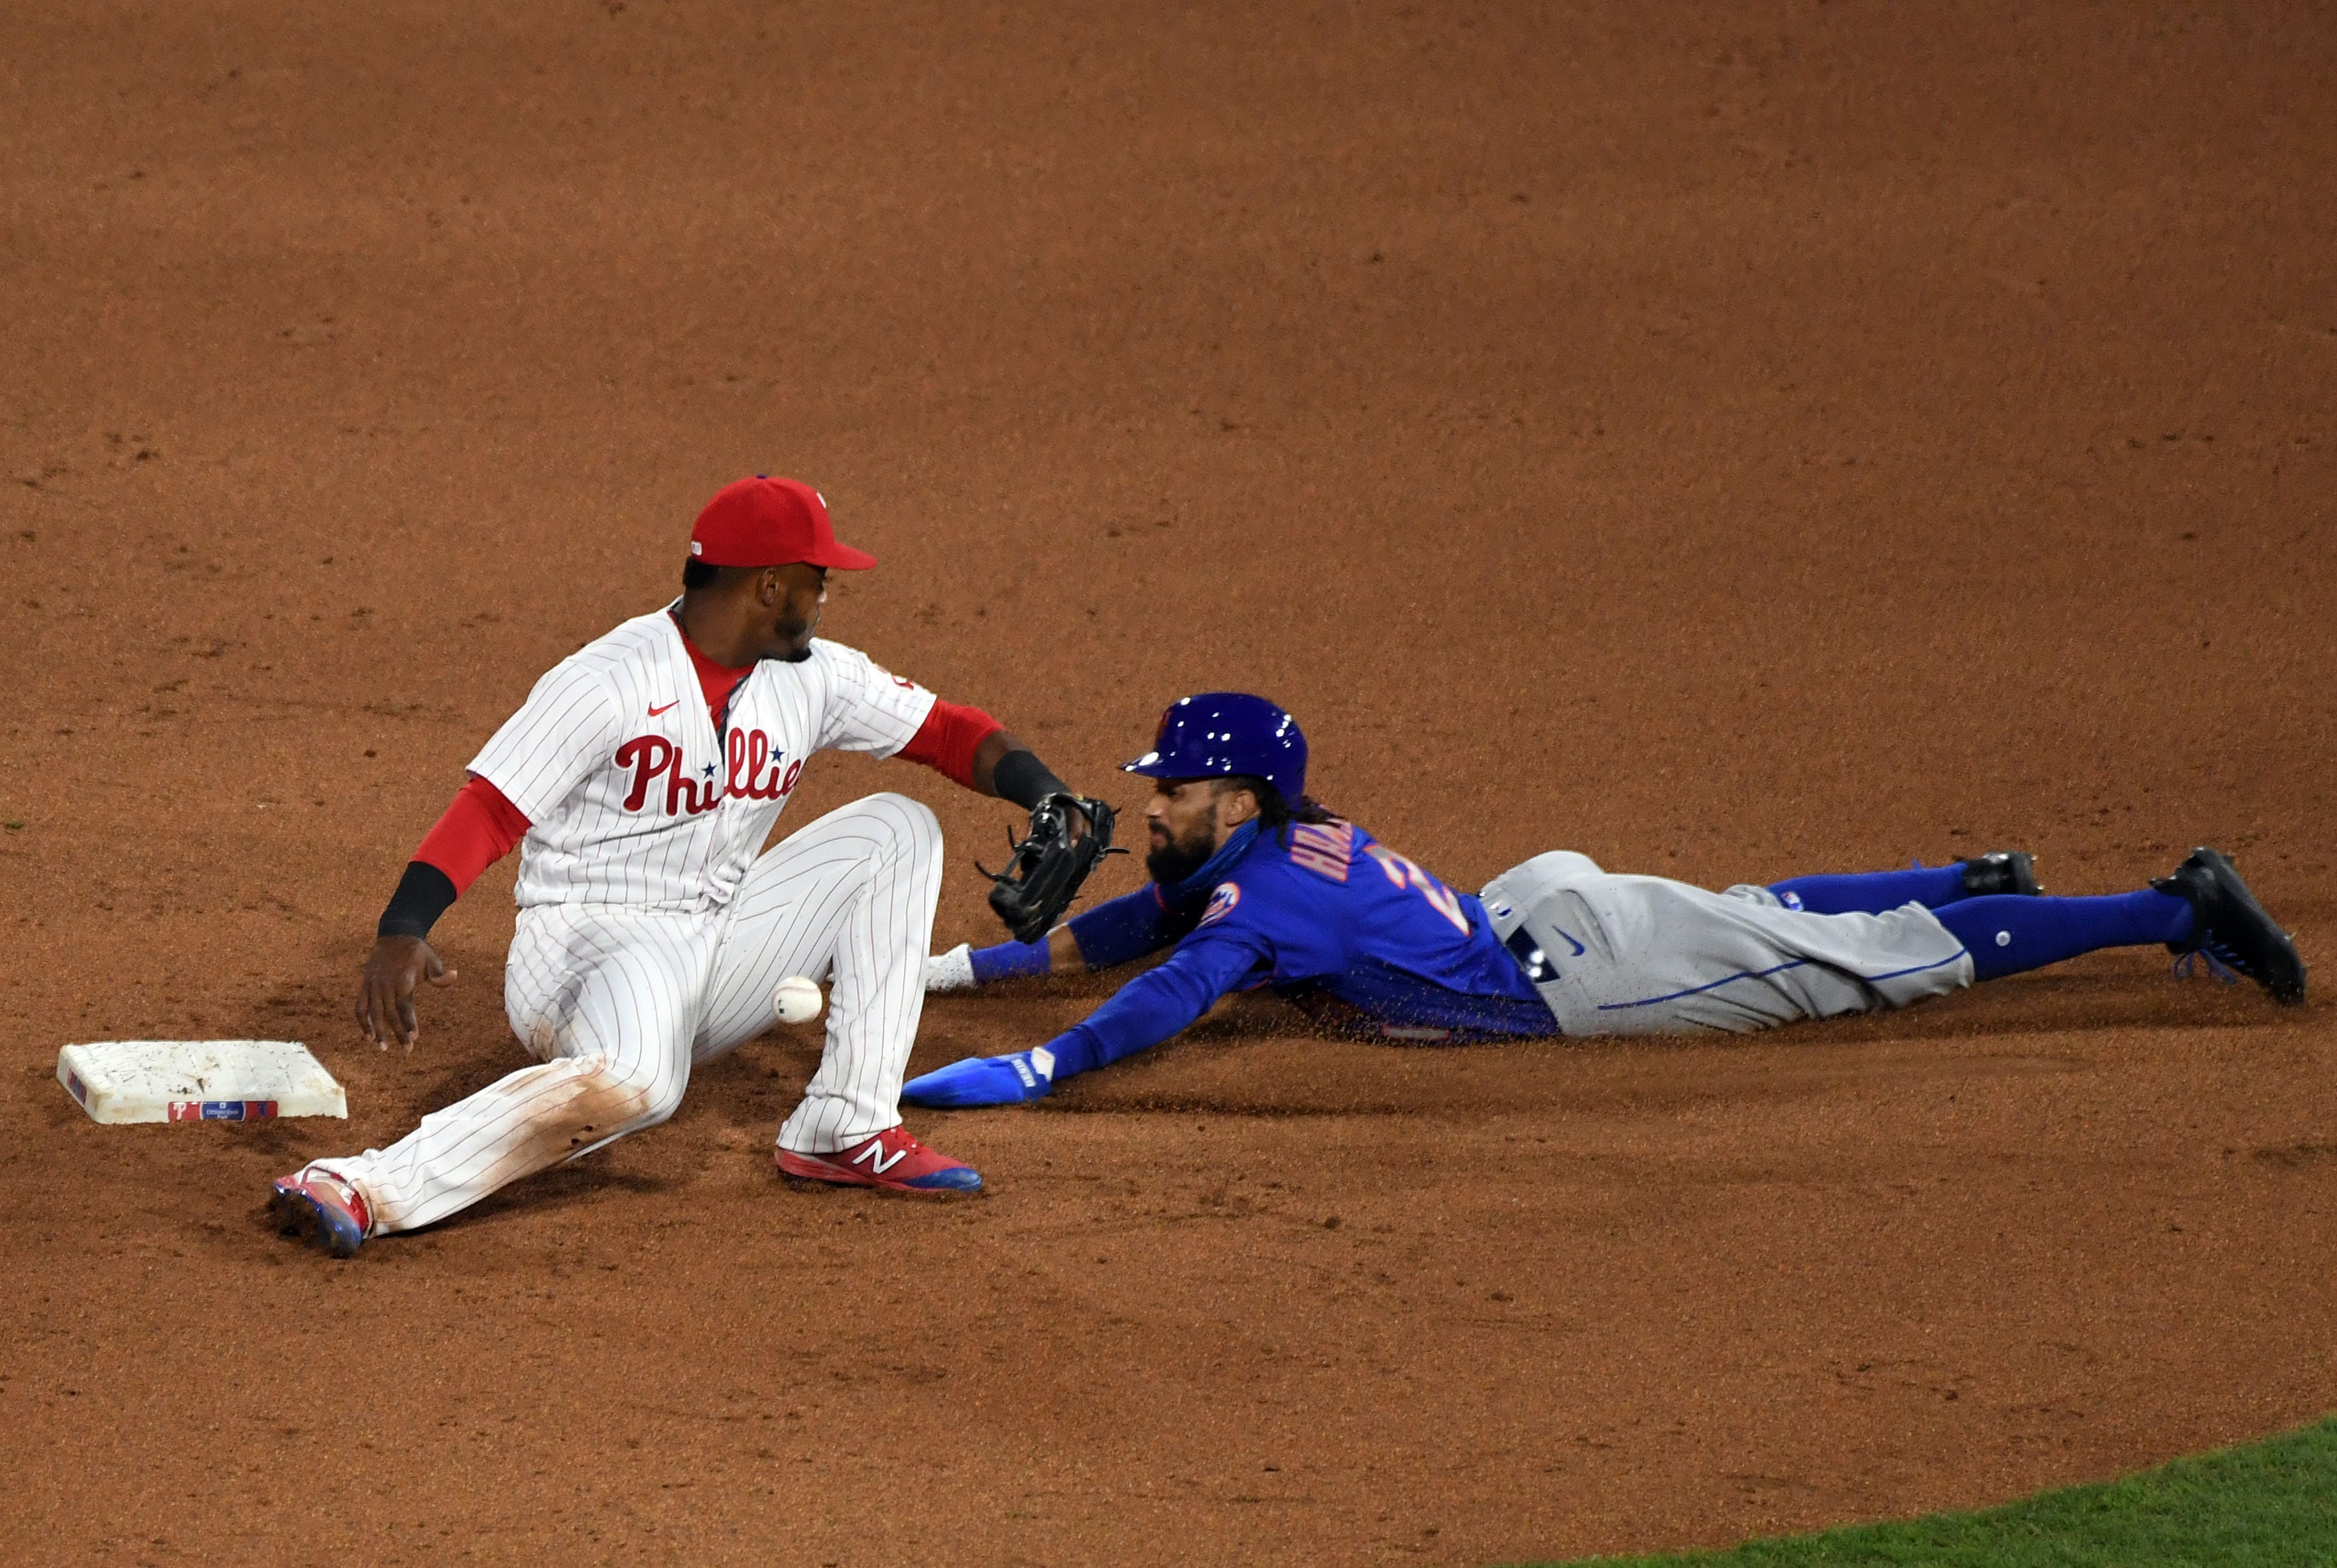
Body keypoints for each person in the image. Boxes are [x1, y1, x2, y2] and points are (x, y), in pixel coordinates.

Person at [268, 476, 1105, 1255]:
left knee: (900, 829)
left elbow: (952, 734)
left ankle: (845, 1125)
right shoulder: (608, 680)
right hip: (588, 946)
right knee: (641, 1082)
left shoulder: (809, 677)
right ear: (769, 586)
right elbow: (489, 810)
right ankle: (363, 1182)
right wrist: (402, 928)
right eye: (817, 577)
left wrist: (1047, 795)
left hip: (715, 934)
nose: (826, 593)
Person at [903, 692, 2306, 1107]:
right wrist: (957, 978)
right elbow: (1156, 924)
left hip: (1585, 975)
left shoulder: (1273, 900)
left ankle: (2171, 908)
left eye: (1179, 792)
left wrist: (1035, 1066)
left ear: (1245, 801)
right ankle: (1972, 878)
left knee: (1867, 964)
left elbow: (1170, 992)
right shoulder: (1266, 862)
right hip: (1545, 910)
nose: (1151, 807)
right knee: (1758, 908)